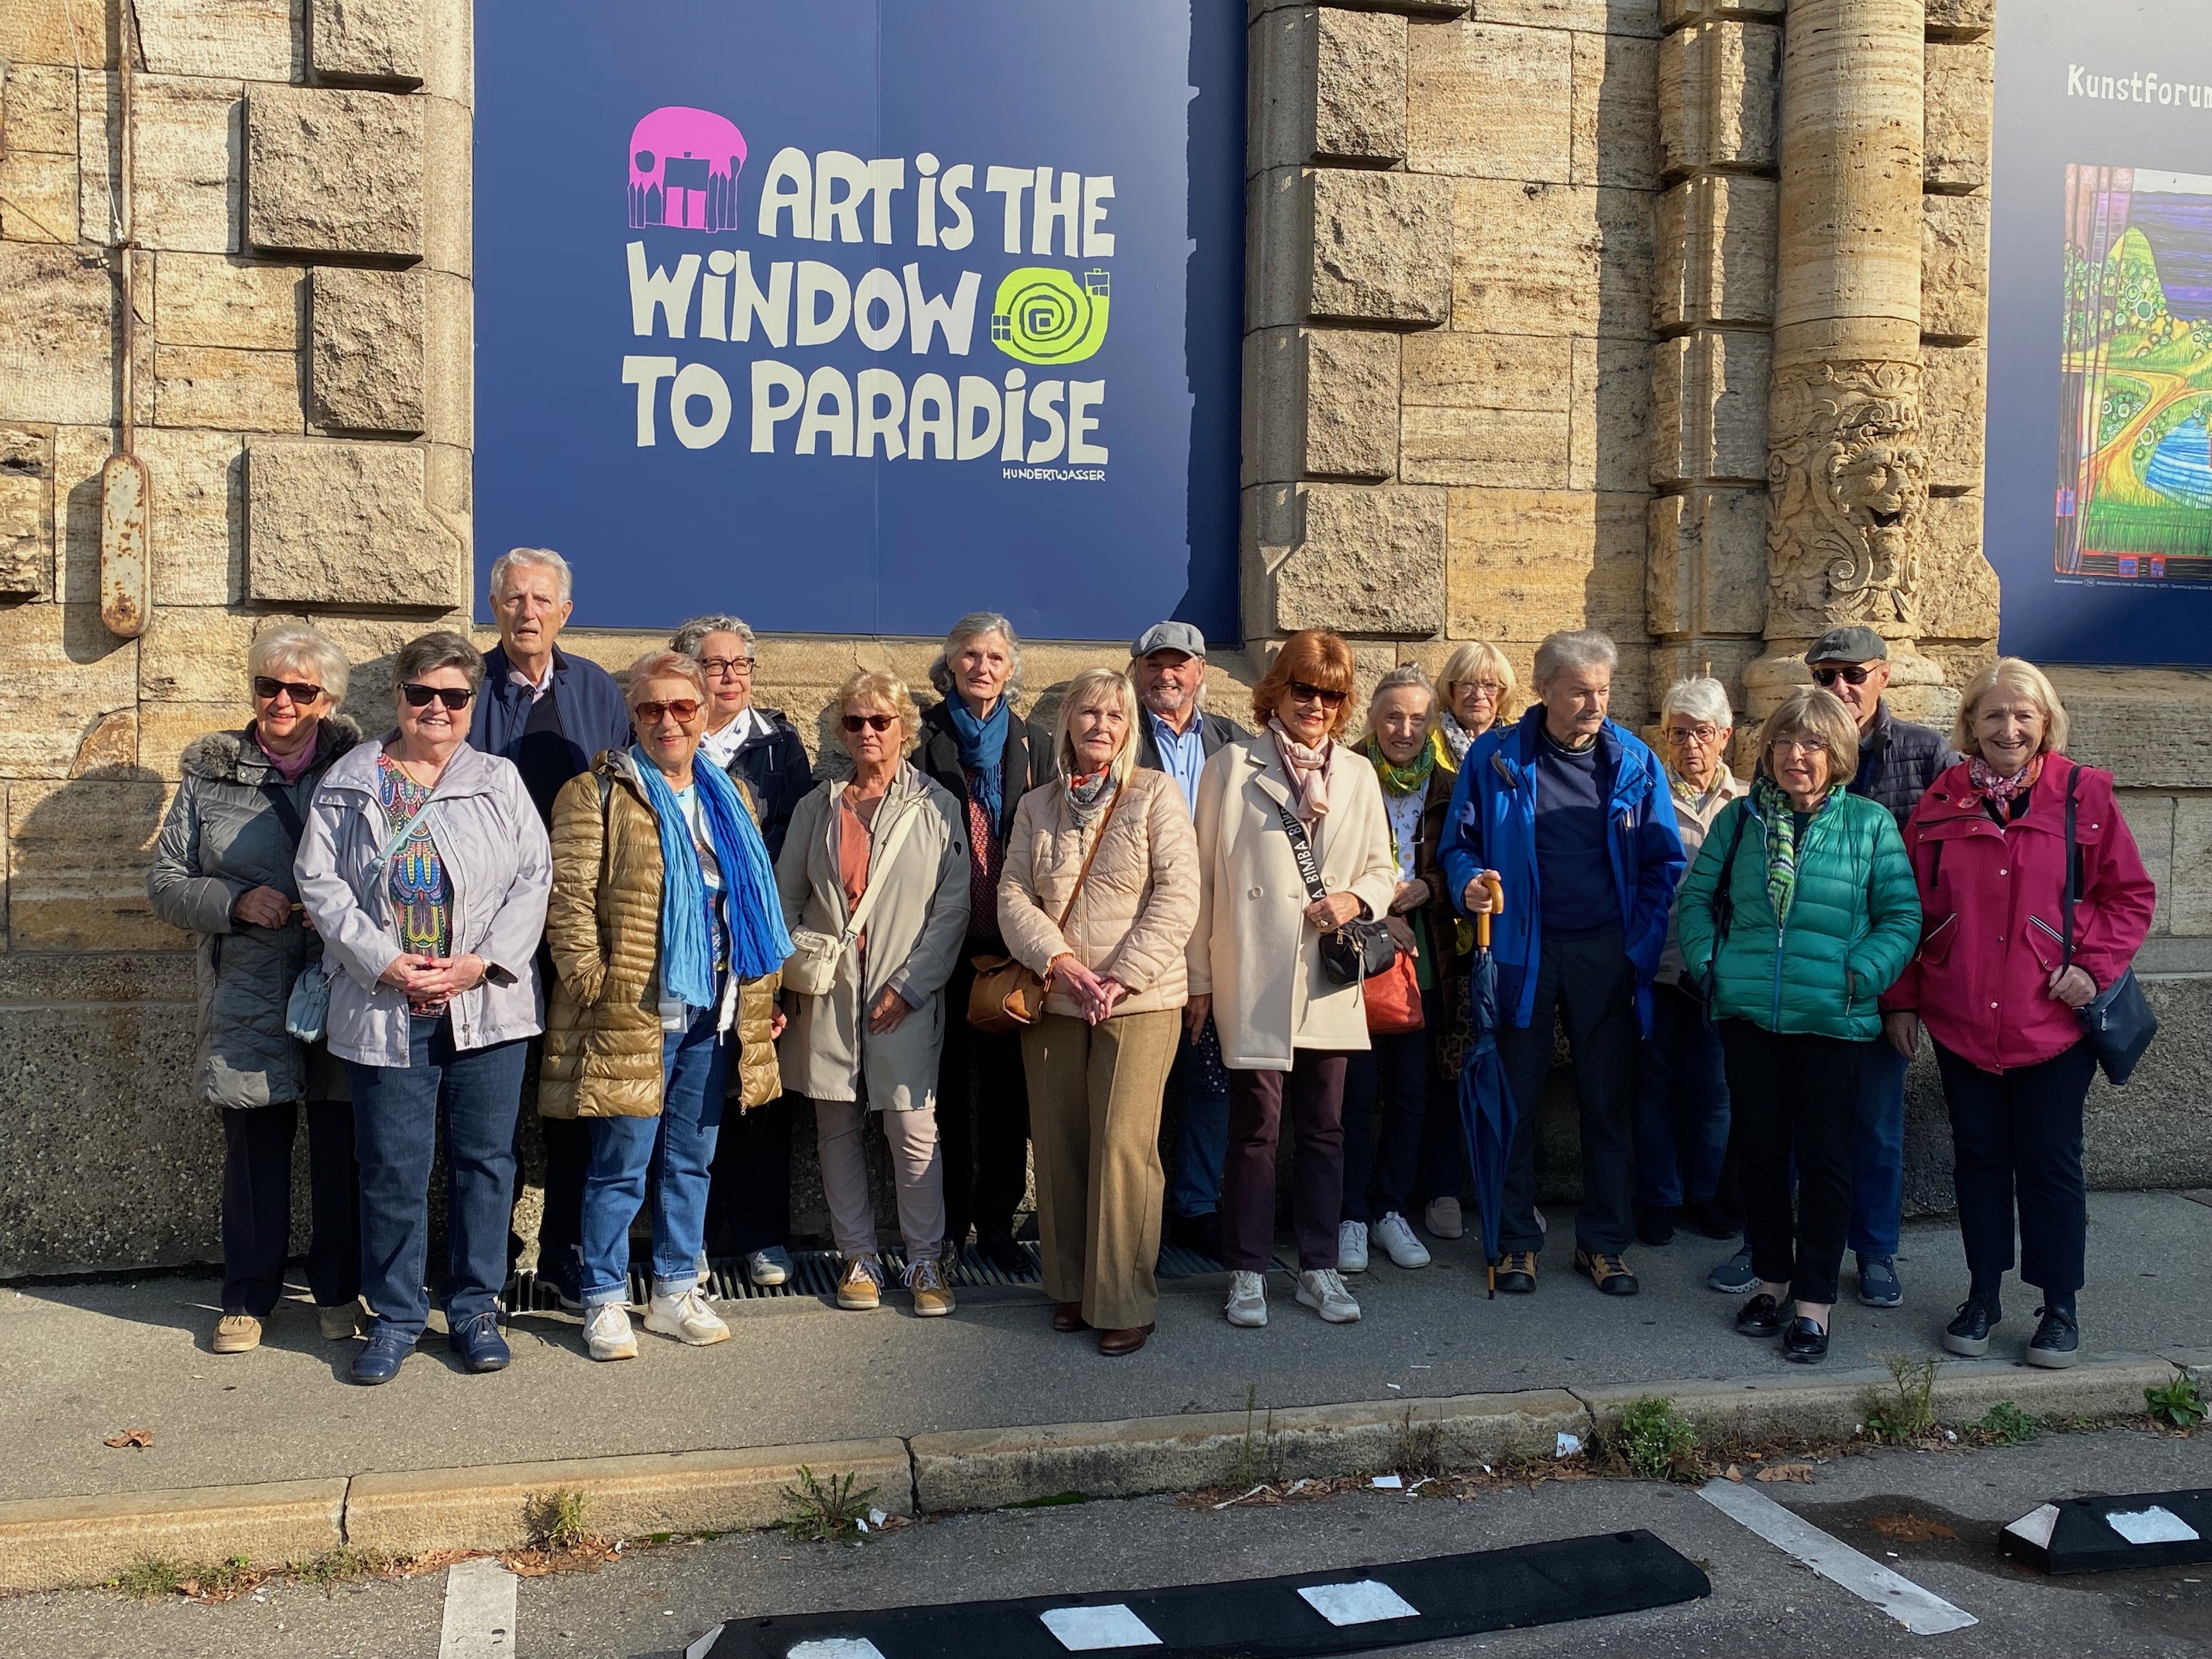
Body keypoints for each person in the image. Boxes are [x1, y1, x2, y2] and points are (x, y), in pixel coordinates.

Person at [1882, 660, 2154, 1369]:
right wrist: (1901, 1000)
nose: (2008, 729)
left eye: (2023, 715)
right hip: (1962, 1019)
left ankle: (2058, 1305)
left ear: (2045, 722)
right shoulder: (1939, 803)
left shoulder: (2082, 794)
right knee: (1977, 1159)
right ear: (1970, 722)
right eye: (1993, 714)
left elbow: (2128, 896)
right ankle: (1981, 1294)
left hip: (2051, 1022)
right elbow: (1907, 910)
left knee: (2050, 1161)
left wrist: (2091, 966)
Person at [297, 631, 552, 1385]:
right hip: (386, 1003)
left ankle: (474, 1308)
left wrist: (479, 963)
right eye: (421, 693)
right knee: (392, 1166)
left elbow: (533, 879)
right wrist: (382, 959)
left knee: (486, 1163)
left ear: (471, 704)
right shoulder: (351, 781)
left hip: (485, 1007)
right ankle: (397, 1315)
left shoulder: (497, 781)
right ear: (399, 696)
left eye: (453, 695)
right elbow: (319, 882)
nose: (436, 708)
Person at [540, 652, 793, 1362]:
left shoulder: (731, 795)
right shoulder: (595, 793)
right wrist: (595, 986)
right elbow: (568, 904)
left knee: (691, 1159)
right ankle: (603, 1295)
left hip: (714, 1007)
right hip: (635, 1009)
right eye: (653, 708)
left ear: (704, 713)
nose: (669, 721)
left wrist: (762, 995)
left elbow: (749, 906)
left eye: (683, 707)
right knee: (620, 1162)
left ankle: (676, 1289)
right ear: (634, 717)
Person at [1437, 630, 1685, 1299]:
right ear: (1544, 689)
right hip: (1521, 950)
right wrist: (1467, 883)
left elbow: (1663, 863)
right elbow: (1458, 845)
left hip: (1604, 951)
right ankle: (1515, 1240)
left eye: (1603, 690)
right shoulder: (1495, 756)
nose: (1594, 704)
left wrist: (1636, 946)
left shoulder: (1634, 760)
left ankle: (1603, 1244)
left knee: (1605, 1101)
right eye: (1579, 692)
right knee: (1514, 1098)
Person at [1675, 688, 1920, 1364]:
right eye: (1783, 741)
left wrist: (1861, 973)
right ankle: (1771, 1279)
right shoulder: (1741, 820)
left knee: (1825, 1161)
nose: (1795, 755)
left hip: (1832, 1021)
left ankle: (1813, 1300)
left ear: (1836, 752)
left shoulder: (1868, 824)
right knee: (1758, 1155)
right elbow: (1695, 899)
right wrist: (1711, 965)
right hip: (1750, 1015)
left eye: (1811, 742)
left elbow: (1901, 915)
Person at [148, 624, 363, 1356]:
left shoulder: (361, 771)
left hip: (338, 979)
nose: (282, 701)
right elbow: (165, 881)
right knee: (253, 1152)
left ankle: (338, 1288)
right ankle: (247, 1295)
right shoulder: (209, 776)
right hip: (247, 987)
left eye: (301, 689)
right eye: (269, 685)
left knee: (341, 1145)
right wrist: (234, 902)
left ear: (327, 700)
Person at [1186, 628, 1399, 1329]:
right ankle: (1246, 1271)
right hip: (1251, 969)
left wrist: (1354, 899)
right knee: (1254, 1128)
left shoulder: (1358, 773)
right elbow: (1202, 881)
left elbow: (1382, 868)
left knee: (1324, 1129)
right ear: (1277, 690)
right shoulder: (1229, 766)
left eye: (1331, 695)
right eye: (1304, 689)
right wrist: (1198, 979)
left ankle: (1317, 1267)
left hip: (1326, 977)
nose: (1316, 705)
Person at [999, 667, 1200, 1354]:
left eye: (1114, 715)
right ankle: (1070, 1285)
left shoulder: (1154, 794)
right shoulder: (1037, 805)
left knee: (1121, 1145)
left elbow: (1178, 894)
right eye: (1088, 713)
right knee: (1059, 1141)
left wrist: (1119, 977)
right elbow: (1012, 895)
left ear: (1128, 728)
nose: (1100, 726)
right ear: (1067, 723)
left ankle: (1122, 1298)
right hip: (1057, 995)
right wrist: (1061, 962)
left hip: (1139, 999)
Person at [467, 547, 636, 1310]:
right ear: (494, 606)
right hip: (488, 929)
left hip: (575, 927)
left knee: (574, 1099)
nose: (527, 612)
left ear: (564, 612)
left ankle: (566, 1254)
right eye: (514, 598)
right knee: (491, 1106)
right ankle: (489, 1260)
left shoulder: (597, 689)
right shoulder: (465, 686)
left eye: (541, 600)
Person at [780, 670, 972, 1315]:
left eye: (879, 721)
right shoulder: (817, 807)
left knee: (913, 1126)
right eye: (854, 721)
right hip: (829, 994)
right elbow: (785, 899)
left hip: (905, 992)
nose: (867, 731)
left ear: (904, 729)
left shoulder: (936, 806)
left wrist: (911, 985)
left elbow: (952, 908)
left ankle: (925, 1259)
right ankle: (857, 1257)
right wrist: (796, 972)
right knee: (835, 1127)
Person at [1787, 624, 1959, 1312]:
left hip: (1885, 977)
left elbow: (1936, 886)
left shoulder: (1924, 753)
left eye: (1853, 674)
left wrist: (1904, 993)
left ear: (1883, 676)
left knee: (1877, 1125)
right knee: (1792, 1123)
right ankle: (1778, 1247)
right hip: (1801, 976)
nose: (1839, 687)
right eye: (1825, 675)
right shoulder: (1793, 746)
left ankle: (1874, 1250)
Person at [673, 614, 813, 1293]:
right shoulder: (667, 737)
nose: (729, 676)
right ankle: (689, 1238)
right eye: (715, 663)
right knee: (686, 1095)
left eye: (740, 664)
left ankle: (760, 1234)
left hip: (757, 940)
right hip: (688, 941)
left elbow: (799, 846)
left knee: (757, 1089)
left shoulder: (780, 747)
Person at [912, 611, 1046, 1273]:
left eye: (994, 656)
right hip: (942, 942)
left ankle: (996, 1222)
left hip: (1011, 947)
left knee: (1005, 1095)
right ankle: (945, 1227)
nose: (982, 667)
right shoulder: (922, 737)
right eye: (969, 654)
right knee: (940, 1092)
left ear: (1010, 667)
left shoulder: (1031, 742)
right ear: (950, 664)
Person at [1128, 619, 1248, 1265]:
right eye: (1154, 664)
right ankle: (1135, 1214)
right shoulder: (1120, 733)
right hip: (1138, 934)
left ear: (1200, 671)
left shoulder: (1237, 744)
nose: (1165, 674)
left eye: (1178, 664)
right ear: (1136, 671)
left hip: (1218, 936)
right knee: (1138, 1083)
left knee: (1210, 1077)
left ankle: (1198, 1203)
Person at [1336, 666, 1452, 1277]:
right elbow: (1325, 862)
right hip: (1357, 952)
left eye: (1416, 718)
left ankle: (1390, 1208)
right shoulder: (1345, 772)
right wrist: (1378, 909)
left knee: (1410, 1093)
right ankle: (1349, 1213)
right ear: (1372, 719)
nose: (1403, 729)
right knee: (1353, 1095)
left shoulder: (1449, 785)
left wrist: (1430, 886)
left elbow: (1463, 860)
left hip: (1424, 953)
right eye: (1391, 716)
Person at [1633, 677, 1747, 1248]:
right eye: (1678, 733)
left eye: (1701, 732)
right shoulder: (1644, 798)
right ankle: (1658, 1196)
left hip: (1717, 974)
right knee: (1652, 1085)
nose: (1690, 745)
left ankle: (1704, 1193)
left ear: (1724, 735)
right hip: (1657, 965)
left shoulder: (1746, 802)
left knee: (1712, 1089)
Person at [1415, 640, 1521, 1243]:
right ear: (1449, 690)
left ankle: (1504, 1190)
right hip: (1443, 932)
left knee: (1504, 1064)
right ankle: (1443, 1187)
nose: (1479, 694)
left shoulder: (1516, 749)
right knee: (1445, 1068)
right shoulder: (1428, 746)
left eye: (1490, 685)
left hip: (1500, 934)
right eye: (1467, 684)